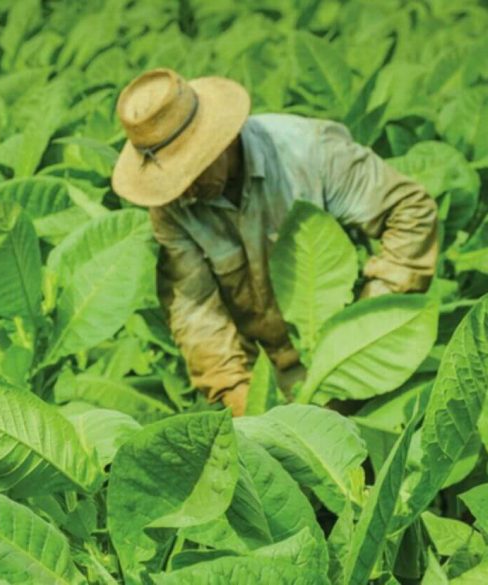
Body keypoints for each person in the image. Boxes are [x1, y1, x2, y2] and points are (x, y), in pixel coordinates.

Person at [110, 69, 438, 416]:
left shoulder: (309, 153)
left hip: (355, 357)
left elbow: (410, 210)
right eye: (170, 180)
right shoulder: (172, 207)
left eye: (190, 171)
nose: (183, 189)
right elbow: (196, 312)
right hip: (265, 372)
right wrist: (244, 400)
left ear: (221, 140)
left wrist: (368, 320)